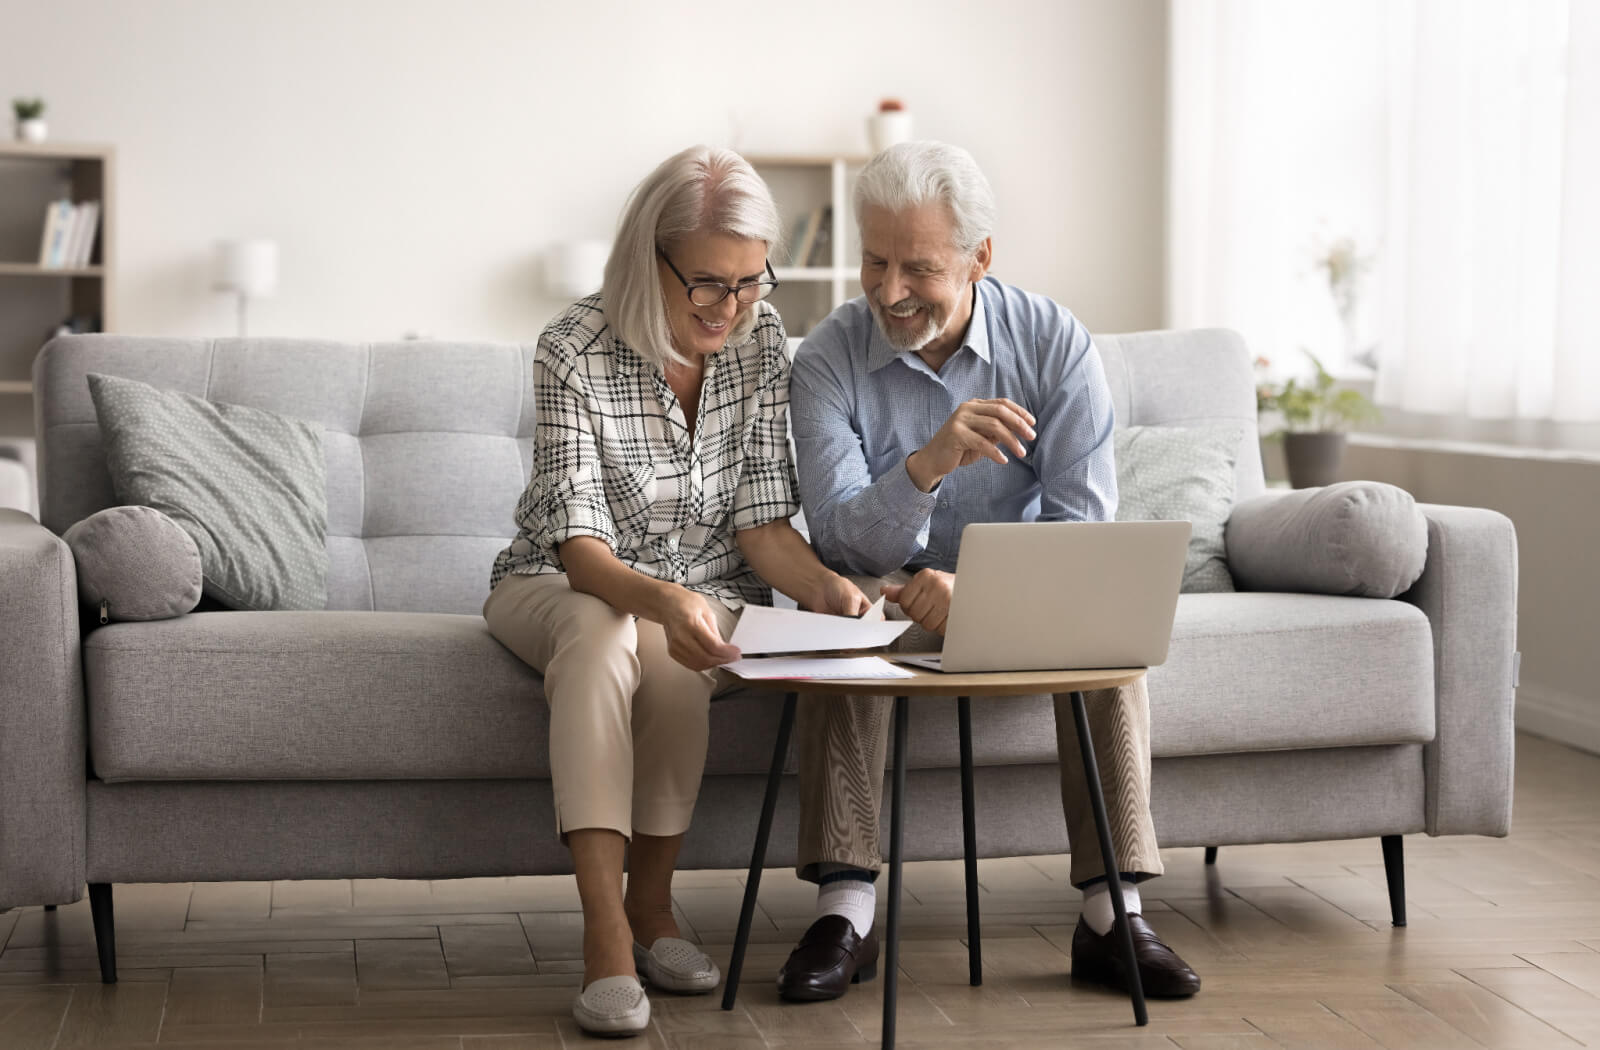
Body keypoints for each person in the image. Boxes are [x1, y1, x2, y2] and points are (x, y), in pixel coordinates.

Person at [780, 140, 1201, 1002]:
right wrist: (929, 464)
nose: (890, 291)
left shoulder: (1052, 344)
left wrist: (978, 594)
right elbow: (840, 536)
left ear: (981, 257)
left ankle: (1112, 916)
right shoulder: (827, 357)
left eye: (919, 268)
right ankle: (846, 911)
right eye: (875, 261)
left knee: (1111, 640)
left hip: (1024, 604)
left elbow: (1087, 531)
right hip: (886, 598)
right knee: (840, 611)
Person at [484, 146, 871, 1038]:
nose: (729, 311)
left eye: (748, 284)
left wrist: (832, 592)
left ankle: (655, 909)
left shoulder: (761, 343)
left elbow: (763, 527)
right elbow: (580, 550)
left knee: (669, 653)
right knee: (607, 633)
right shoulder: (571, 349)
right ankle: (607, 933)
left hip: (698, 592)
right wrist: (663, 599)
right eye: (707, 285)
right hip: (558, 580)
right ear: (644, 261)